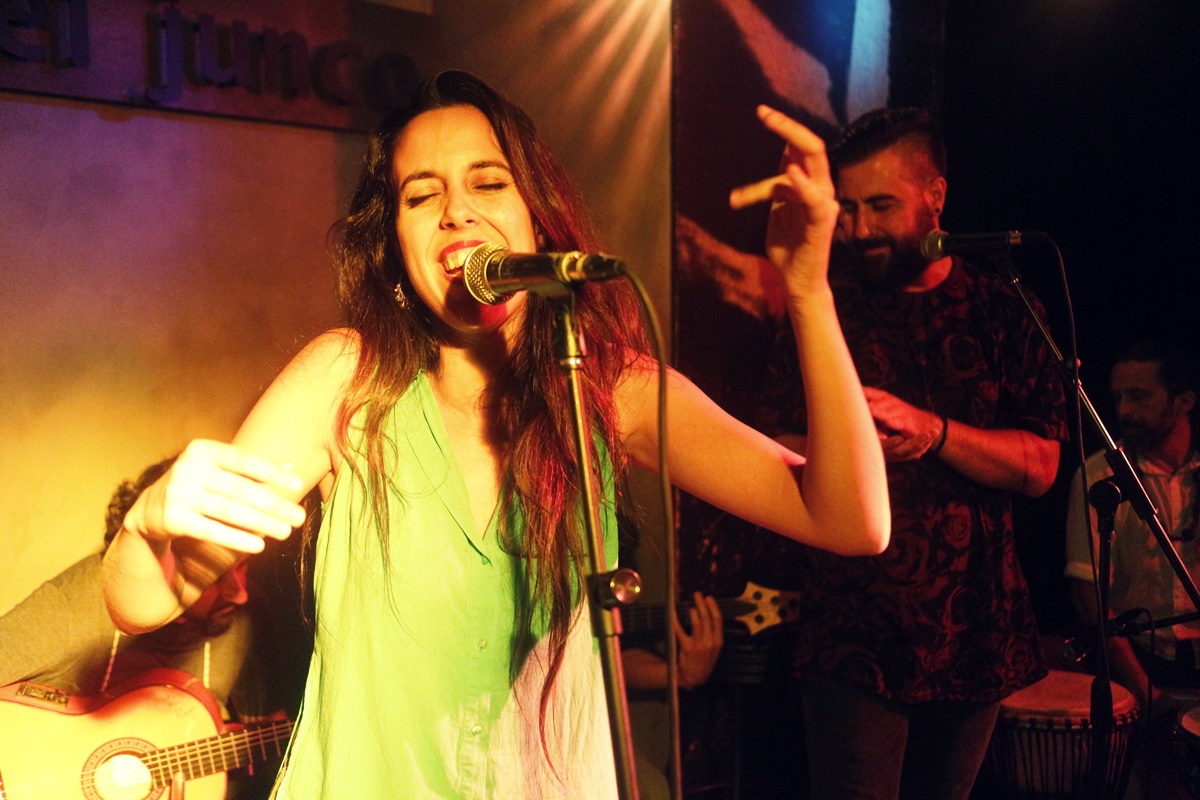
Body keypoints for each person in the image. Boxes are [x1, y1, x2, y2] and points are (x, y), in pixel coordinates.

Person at [100, 71, 889, 799]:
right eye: (421, 194)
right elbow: (139, 601)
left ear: (537, 220)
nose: (457, 211)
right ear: (394, 244)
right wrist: (149, 525)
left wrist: (808, 292)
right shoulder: (345, 382)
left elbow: (851, 519)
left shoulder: (610, 387)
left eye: (488, 182)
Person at [746, 107, 1067, 800]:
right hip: (855, 636)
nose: (860, 228)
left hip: (977, 630)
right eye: (849, 208)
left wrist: (935, 432)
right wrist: (852, 449)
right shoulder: (824, 307)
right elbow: (772, 444)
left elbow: (1041, 467)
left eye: (881, 206)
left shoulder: (1003, 305)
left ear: (936, 196)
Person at [0, 456, 301, 799]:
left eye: (243, 566)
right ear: (158, 564)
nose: (239, 592)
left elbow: (267, 740)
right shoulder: (81, 598)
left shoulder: (242, 617)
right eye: (216, 573)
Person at [1065, 338, 1200, 798]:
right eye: (1118, 396)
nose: (1122, 410)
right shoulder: (1099, 475)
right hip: (1144, 673)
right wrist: (1145, 695)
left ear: (1183, 401)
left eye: (1139, 396)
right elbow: (1089, 598)